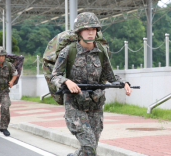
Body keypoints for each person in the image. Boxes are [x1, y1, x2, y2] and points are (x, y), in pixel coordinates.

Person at [50, 12, 132, 156]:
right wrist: (67, 81)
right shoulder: (68, 51)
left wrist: (123, 83)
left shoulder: (101, 51)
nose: (90, 32)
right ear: (79, 32)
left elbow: (110, 76)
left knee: (90, 149)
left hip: (95, 106)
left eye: (93, 29)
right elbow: (55, 76)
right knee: (89, 147)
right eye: (87, 29)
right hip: (75, 106)